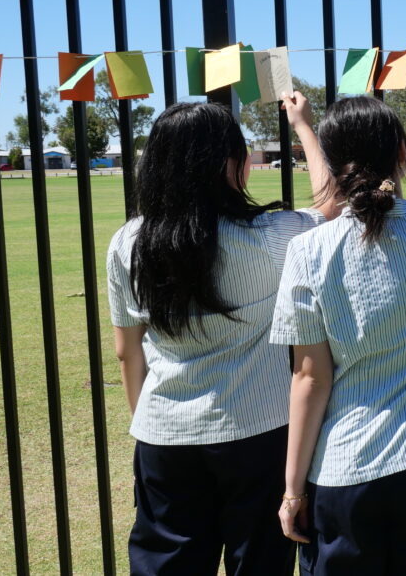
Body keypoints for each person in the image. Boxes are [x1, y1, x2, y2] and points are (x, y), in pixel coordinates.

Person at [107, 94, 339, 575]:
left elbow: (127, 352)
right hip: (258, 430)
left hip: (163, 434)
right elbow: (333, 204)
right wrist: (302, 126)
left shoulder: (128, 243)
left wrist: (153, 421)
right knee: (259, 560)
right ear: (228, 163)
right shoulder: (273, 236)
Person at [273, 75, 406, 575]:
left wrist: (292, 489)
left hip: (347, 471)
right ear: (405, 153)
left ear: (331, 163)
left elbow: (310, 378)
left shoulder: (309, 251)